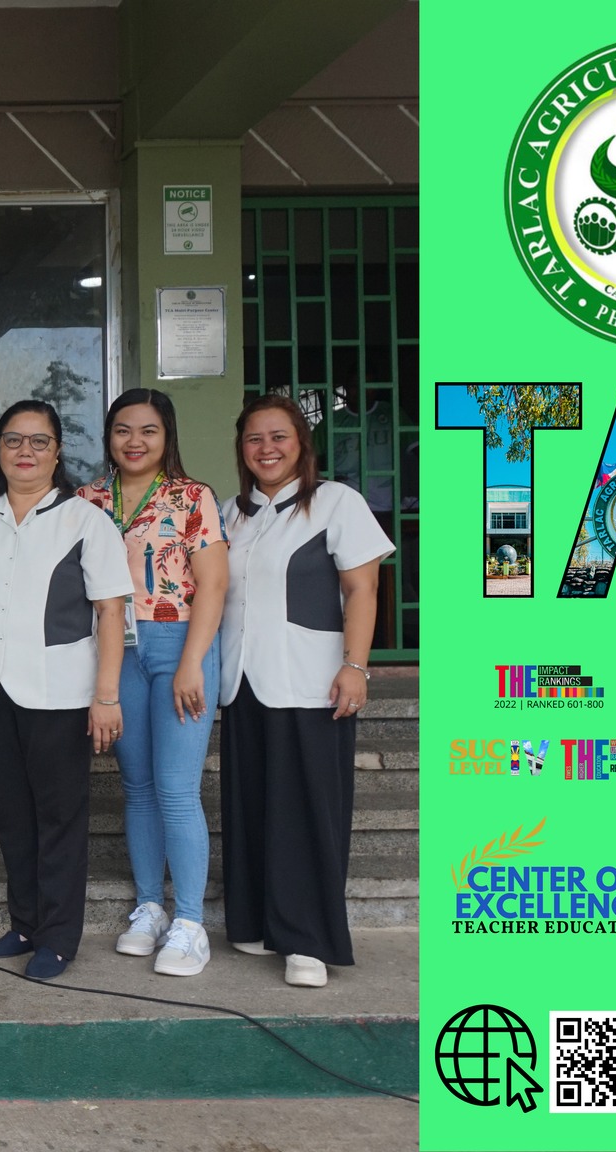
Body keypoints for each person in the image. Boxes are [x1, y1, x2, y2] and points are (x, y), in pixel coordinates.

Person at [0, 400, 130, 980]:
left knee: (60, 816)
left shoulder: (87, 521)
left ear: (57, 451)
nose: (26, 452)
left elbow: (111, 612)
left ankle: (58, 936)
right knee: (11, 813)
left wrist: (106, 695)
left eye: (39, 442)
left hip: (61, 691)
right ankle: (23, 923)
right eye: (14, 441)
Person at [216, 393, 393, 988]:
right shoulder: (229, 513)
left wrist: (356, 666)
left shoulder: (336, 503)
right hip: (242, 681)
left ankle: (307, 940)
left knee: (307, 811)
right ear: (241, 450)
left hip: (310, 679)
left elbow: (363, 590)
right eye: (254, 440)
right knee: (251, 803)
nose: (266, 449)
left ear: (301, 445)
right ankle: (257, 921)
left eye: (279, 437)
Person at [80, 390, 227, 977]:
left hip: (178, 647)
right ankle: (150, 907)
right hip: (116, 651)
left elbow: (213, 585)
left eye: (147, 430)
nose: (134, 442)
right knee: (136, 785)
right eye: (122, 430)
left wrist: (193, 662)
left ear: (167, 436)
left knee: (174, 788)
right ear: (108, 436)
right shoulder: (87, 500)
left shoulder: (192, 497)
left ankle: (191, 921)